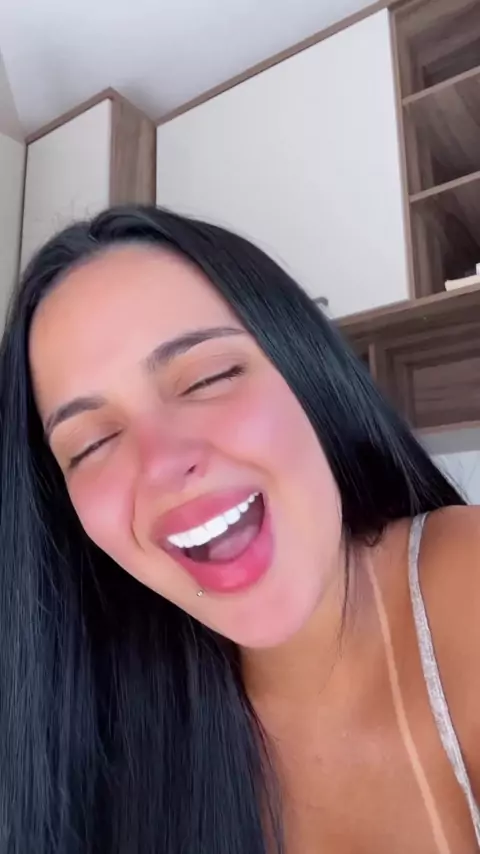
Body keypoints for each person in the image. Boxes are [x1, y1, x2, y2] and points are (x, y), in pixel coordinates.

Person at [1, 205, 479, 854]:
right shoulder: (90, 746)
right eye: (91, 444)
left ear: (307, 370)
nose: (162, 466)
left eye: (209, 376)